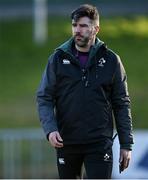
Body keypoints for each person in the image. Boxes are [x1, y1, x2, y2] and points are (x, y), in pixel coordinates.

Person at [37, 4, 134, 179]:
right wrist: (50, 129)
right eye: (74, 25)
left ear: (96, 28)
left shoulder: (112, 60)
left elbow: (122, 103)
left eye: (83, 26)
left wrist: (126, 144)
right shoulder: (57, 59)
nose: (77, 30)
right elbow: (44, 97)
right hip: (66, 142)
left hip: (99, 143)